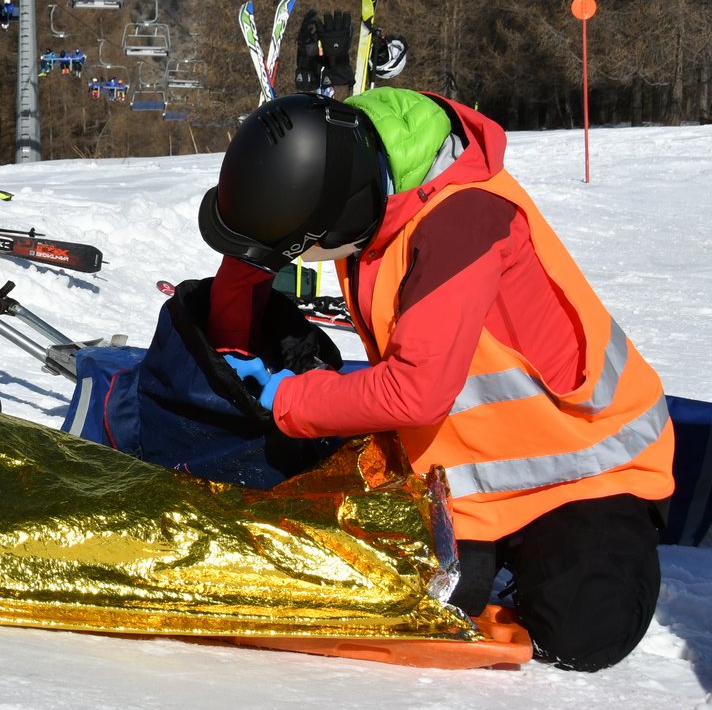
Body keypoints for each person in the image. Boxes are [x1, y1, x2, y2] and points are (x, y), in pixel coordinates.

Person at [196, 88, 674, 671]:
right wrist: (231, 347)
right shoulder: (352, 167)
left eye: (308, 249)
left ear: (343, 214)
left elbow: (415, 391)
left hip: (585, 466)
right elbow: (259, 246)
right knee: (417, 605)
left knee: (581, 636)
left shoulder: (461, 221)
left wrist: (284, 397)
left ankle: (573, 552)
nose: (309, 260)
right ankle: (497, 556)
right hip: (463, 480)